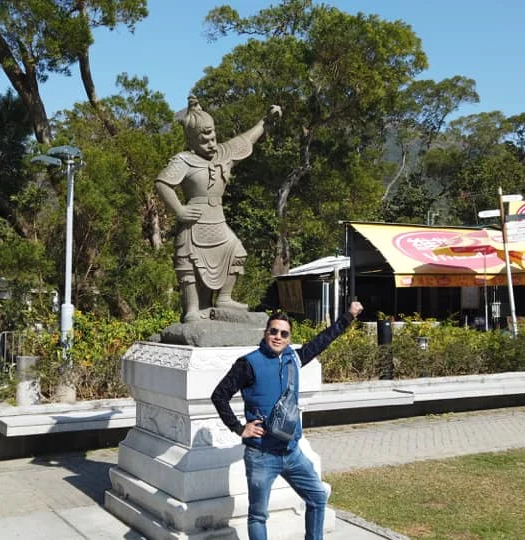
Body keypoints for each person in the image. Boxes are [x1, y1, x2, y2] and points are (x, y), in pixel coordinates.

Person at [211, 301, 364, 540]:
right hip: (261, 455)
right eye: (273, 331)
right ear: (265, 333)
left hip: (292, 452)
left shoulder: (294, 358)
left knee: (317, 497)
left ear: (289, 337)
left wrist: (348, 317)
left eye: (284, 333)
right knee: (258, 515)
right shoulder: (248, 364)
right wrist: (239, 428)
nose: (278, 336)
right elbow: (219, 395)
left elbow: (322, 340)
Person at [155, 96, 282, 322]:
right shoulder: (183, 160)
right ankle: (192, 308)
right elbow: (162, 183)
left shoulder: (224, 153)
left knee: (237, 251)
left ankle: (224, 297)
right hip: (194, 221)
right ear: (191, 141)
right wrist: (179, 210)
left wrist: (265, 121)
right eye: (204, 141)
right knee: (188, 264)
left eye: (212, 138)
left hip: (218, 219)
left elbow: (246, 139)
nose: (211, 144)